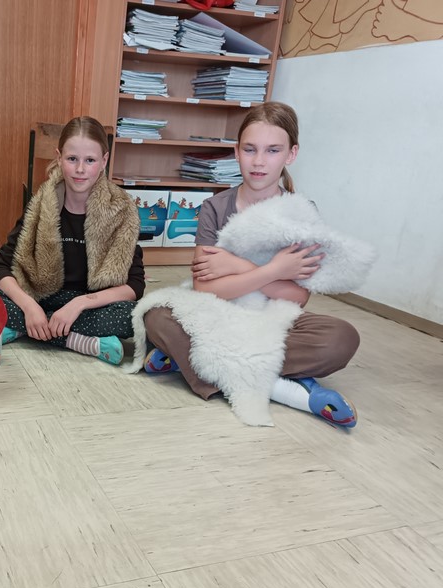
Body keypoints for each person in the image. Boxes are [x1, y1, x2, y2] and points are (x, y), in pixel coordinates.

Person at [143, 102, 360, 427]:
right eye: (250, 149)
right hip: (218, 315)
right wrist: (276, 271)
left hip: (271, 319)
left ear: (291, 154)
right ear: (236, 152)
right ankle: (287, 390)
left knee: (341, 338)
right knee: (157, 316)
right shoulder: (215, 208)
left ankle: (194, 362)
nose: (259, 161)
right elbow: (205, 288)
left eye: (273, 150)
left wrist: (234, 265)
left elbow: (298, 297)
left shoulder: (301, 212)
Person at [0, 116, 144, 365]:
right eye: (72, 159)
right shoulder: (41, 204)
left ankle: (24, 329)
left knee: (137, 316)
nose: (80, 169)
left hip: (91, 306)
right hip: (42, 296)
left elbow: (135, 286)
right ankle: (80, 341)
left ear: (104, 161)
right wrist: (29, 307)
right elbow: (0, 267)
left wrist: (79, 304)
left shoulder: (121, 210)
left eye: (90, 160)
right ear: (59, 157)